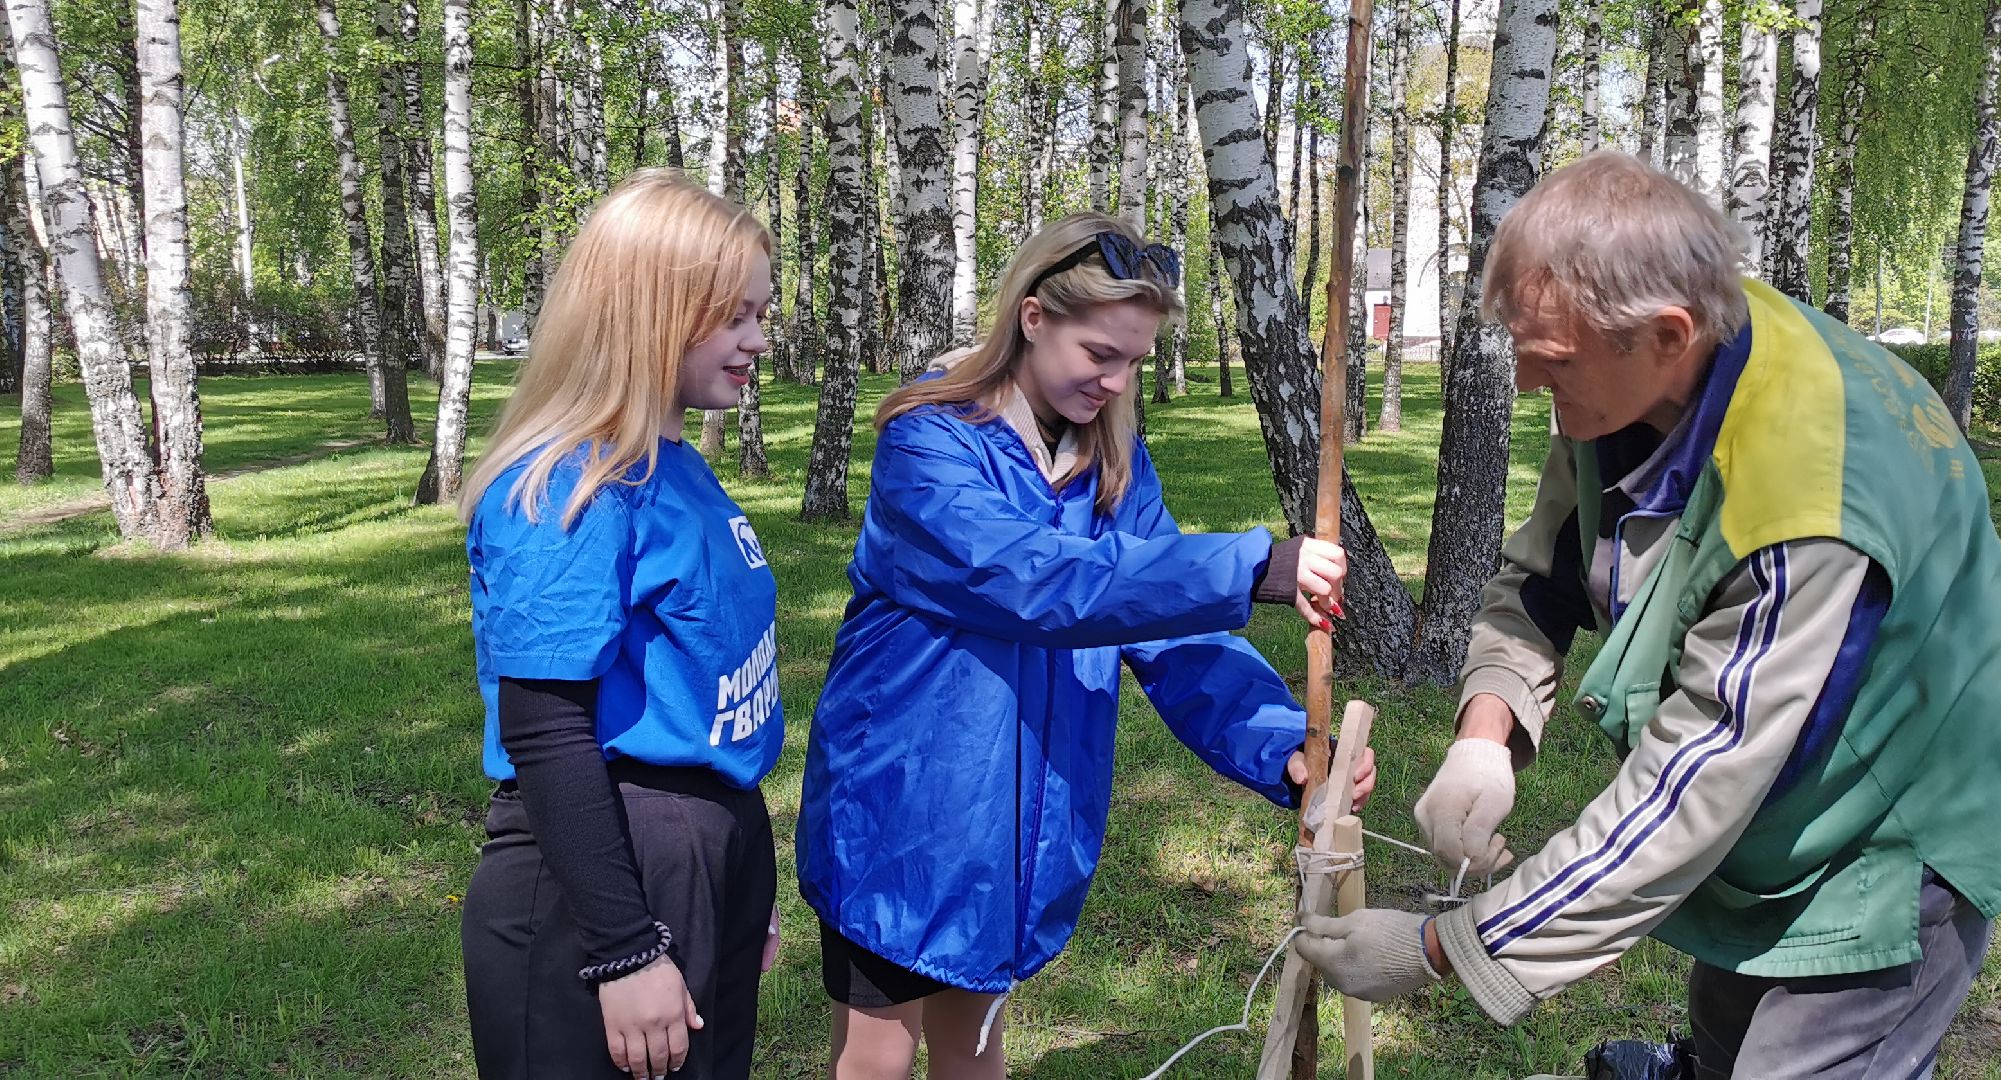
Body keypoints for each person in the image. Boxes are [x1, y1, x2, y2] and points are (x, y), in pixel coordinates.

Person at [1295, 151, 2001, 1079]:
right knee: (1727, 1029)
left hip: (1908, 818)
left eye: (1551, 362)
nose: (1525, 382)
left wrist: (1442, 948)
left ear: (1666, 333)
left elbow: (1695, 787)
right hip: (1789, 800)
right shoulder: (1654, 366)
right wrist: (1484, 732)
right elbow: (1545, 573)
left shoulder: (1808, 503)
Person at [797, 212, 1376, 1080]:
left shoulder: (1109, 461)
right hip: (904, 810)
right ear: (1033, 318)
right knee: (875, 1060)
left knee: (976, 1045)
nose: (1116, 381)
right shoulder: (929, 439)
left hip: (1018, 824)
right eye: (1100, 354)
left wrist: (1281, 742)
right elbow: (1027, 577)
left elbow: (1172, 630)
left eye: (1135, 361)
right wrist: (1249, 563)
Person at [457, 169, 787, 1080]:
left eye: (760, 313)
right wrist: (625, 949)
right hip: (605, 866)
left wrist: (733, 866)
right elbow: (545, 725)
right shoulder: (571, 483)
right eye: (735, 316)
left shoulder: (676, 462)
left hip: (699, 847)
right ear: (651, 311)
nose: (758, 339)